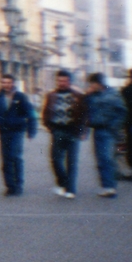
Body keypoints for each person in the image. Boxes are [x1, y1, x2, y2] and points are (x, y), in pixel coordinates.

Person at [0, 74, 37, 196]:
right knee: (6, 159)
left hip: (17, 131)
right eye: (4, 83)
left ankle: (18, 184)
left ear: (13, 84)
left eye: (9, 83)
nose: (6, 85)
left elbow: (30, 113)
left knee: (15, 156)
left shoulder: (20, 97)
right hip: (3, 131)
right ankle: (10, 186)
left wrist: (31, 130)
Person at [42, 70, 87, 199]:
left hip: (73, 131)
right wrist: (49, 127)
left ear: (70, 82)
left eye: (64, 81)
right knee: (55, 160)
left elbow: (85, 114)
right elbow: (45, 112)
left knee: (71, 161)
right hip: (58, 130)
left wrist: (83, 131)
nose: (61, 83)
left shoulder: (78, 96)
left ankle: (71, 189)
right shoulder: (51, 95)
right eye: (59, 81)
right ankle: (63, 182)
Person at [84, 73, 126, 199]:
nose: (91, 86)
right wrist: (87, 95)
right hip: (97, 129)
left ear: (98, 83)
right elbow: (84, 108)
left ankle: (110, 186)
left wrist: (114, 126)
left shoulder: (113, 94)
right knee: (101, 159)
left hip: (108, 130)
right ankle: (106, 185)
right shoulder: (92, 95)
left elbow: (122, 111)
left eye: (92, 83)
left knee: (107, 158)